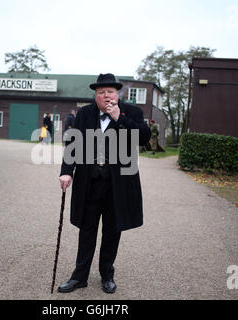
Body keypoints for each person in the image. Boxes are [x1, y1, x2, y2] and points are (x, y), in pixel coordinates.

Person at [58, 73, 151, 294]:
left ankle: (107, 275)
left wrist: (120, 117)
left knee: (112, 232)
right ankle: (79, 277)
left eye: (110, 91)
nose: (106, 95)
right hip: (89, 184)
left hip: (118, 186)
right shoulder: (84, 114)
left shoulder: (133, 112)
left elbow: (144, 138)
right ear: (96, 96)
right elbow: (72, 143)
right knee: (86, 230)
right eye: (101, 92)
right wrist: (66, 172)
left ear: (117, 94)